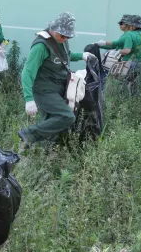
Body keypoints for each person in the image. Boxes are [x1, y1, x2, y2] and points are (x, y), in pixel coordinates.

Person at [17, 12, 94, 150]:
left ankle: (40, 151)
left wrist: (82, 56)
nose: (64, 38)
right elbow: (27, 72)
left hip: (58, 86)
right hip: (44, 90)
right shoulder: (41, 46)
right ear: (54, 28)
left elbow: (65, 57)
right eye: (62, 35)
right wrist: (29, 99)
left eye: (68, 36)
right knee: (67, 116)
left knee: (50, 121)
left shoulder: (61, 42)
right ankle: (28, 134)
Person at [96, 14, 141, 94]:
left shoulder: (129, 34)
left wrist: (118, 51)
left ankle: (116, 100)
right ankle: (134, 103)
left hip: (128, 64)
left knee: (122, 85)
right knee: (136, 87)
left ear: (132, 25)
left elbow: (124, 49)